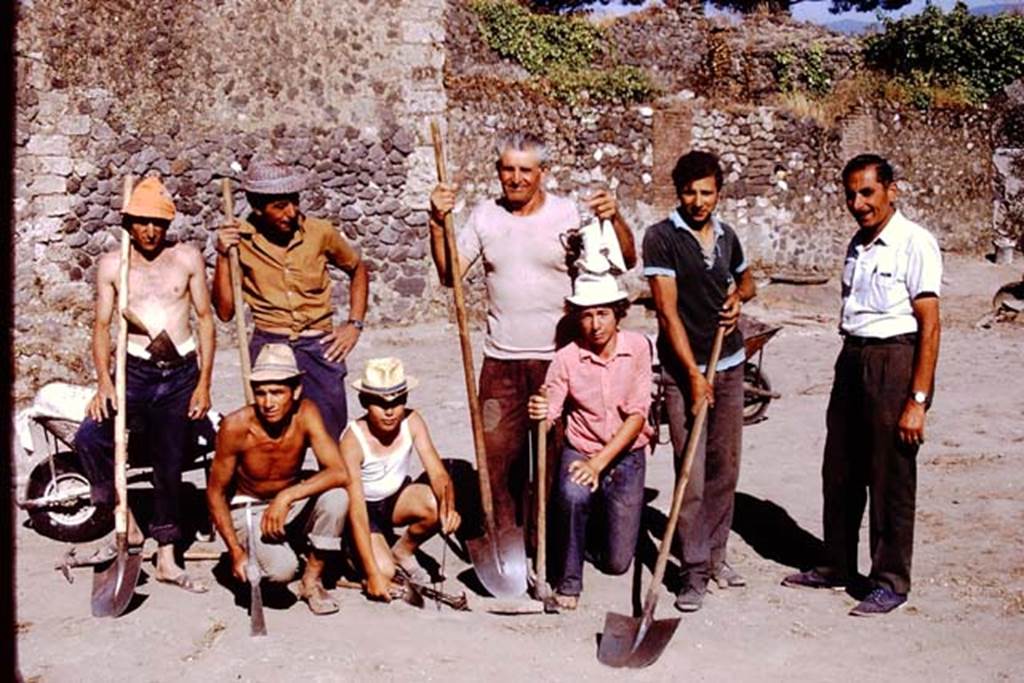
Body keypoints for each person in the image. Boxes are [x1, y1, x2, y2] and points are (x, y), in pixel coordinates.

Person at [428, 131, 637, 539]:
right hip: (500, 363)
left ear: (543, 173)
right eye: (508, 169)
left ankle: (549, 545)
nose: (516, 178)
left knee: (553, 459)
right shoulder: (485, 217)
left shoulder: (568, 215)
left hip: (558, 361)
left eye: (526, 170)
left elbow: (626, 259)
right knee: (496, 461)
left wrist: (615, 218)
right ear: (497, 171)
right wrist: (437, 223)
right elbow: (450, 274)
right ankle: (505, 542)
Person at [783, 154, 941, 617]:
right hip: (852, 357)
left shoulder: (915, 243)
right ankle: (837, 564)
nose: (858, 203)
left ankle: (889, 579)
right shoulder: (858, 243)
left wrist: (917, 401)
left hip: (894, 359)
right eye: (851, 194)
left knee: (889, 476)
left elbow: (930, 327)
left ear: (892, 190)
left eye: (867, 192)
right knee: (840, 470)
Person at [75, 176, 215, 593]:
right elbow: (101, 327)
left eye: (158, 222)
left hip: (179, 374)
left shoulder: (187, 258)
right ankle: (127, 521)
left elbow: (206, 321)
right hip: (133, 372)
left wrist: (204, 383)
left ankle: (167, 555)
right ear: (129, 222)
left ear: (168, 224)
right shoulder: (112, 265)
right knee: (89, 437)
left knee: (168, 463)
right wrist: (104, 382)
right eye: (142, 222)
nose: (150, 231)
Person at [642, 150, 756, 613]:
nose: (697, 200)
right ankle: (691, 572)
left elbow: (748, 281)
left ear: (718, 193)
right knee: (689, 474)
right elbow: (667, 315)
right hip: (683, 369)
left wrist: (738, 297)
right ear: (679, 192)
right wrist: (690, 375)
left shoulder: (727, 237)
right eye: (689, 191)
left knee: (724, 467)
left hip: (729, 364)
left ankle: (716, 555)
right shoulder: (661, 238)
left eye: (706, 191)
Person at [206, 344, 390, 614]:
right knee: (282, 571)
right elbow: (215, 493)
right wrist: (234, 550)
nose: (268, 403)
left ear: (296, 391)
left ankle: (311, 581)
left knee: (338, 496)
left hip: (288, 503)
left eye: (277, 392)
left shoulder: (306, 414)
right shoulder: (235, 426)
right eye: (261, 393)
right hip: (249, 509)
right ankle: (272, 555)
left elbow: (338, 471)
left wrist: (286, 496)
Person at [213, 159, 369, 439]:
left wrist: (354, 324)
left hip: (321, 346)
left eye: (294, 201)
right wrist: (223, 256)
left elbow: (357, 268)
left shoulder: (320, 232)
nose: (292, 212)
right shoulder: (239, 240)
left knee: (331, 436)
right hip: (270, 346)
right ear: (258, 208)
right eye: (279, 206)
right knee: (273, 438)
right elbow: (225, 312)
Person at [527, 272, 652, 610]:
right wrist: (542, 410)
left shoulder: (639, 347)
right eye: (586, 315)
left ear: (618, 313)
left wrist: (600, 464)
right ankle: (568, 579)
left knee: (616, 563)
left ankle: (596, 530)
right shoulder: (567, 357)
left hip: (627, 453)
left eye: (603, 313)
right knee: (571, 492)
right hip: (582, 448)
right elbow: (551, 409)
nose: (595, 324)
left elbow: (637, 417)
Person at [340, 357, 461, 586]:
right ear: (364, 402)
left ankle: (403, 551)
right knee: (384, 573)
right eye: (380, 404)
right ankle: (351, 553)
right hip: (362, 510)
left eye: (396, 402)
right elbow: (355, 508)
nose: (389, 412)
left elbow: (438, 473)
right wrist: (374, 576)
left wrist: (449, 508)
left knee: (435, 505)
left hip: (394, 499)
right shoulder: (352, 440)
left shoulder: (412, 420)